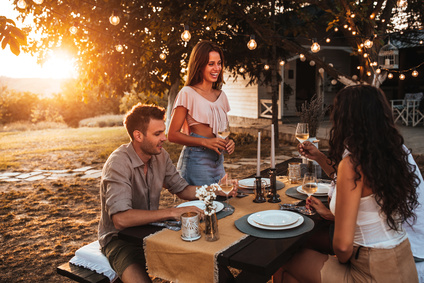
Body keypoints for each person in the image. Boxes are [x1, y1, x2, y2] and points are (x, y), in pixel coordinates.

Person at [275, 85, 420, 282]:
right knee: (294, 274)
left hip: (371, 269)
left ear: (346, 119)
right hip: (403, 261)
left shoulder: (352, 164)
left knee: (284, 261)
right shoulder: (393, 153)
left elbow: (342, 247)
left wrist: (339, 254)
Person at [98, 103, 232, 283]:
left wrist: (214, 189)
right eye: (157, 134)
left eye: (163, 131)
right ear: (138, 135)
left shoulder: (161, 156)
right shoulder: (118, 163)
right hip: (119, 241)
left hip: (152, 232)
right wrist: (171, 212)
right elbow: (120, 220)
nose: (165, 138)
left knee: (208, 265)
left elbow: (183, 190)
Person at [168, 40, 235, 186]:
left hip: (218, 162)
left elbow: (224, 132)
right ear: (199, 65)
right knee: (203, 207)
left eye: (219, 63)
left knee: (222, 205)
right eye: (211, 64)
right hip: (197, 161)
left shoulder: (221, 96)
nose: (216, 68)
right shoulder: (188, 93)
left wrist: (229, 142)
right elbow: (172, 135)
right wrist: (205, 141)